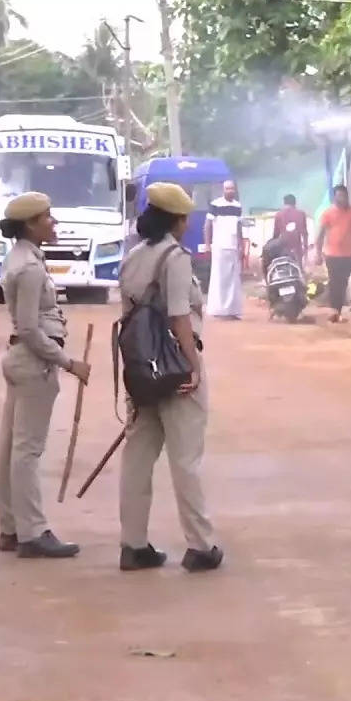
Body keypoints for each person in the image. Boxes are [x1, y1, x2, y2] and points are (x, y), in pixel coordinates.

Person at [117, 182, 223, 573]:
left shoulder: (133, 257)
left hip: (142, 370)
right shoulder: (174, 258)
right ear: (178, 221)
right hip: (176, 369)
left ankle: (133, 544)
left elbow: (128, 315)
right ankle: (200, 544)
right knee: (186, 458)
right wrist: (193, 366)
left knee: (138, 457)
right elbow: (179, 315)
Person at [0, 192, 92, 559]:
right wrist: (69, 363)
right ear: (31, 225)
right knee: (27, 451)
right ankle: (32, 532)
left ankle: (11, 528)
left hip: (21, 358)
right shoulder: (30, 268)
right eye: (47, 218)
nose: (53, 223)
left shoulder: (20, 258)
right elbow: (32, 329)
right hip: (33, 361)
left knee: (11, 450)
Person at [315, 184, 351, 323]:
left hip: (348, 255)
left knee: (342, 283)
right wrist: (317, 252)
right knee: (334, 281)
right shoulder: (328, 213)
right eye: (339, 196)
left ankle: (338, 311)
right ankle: (334, 311)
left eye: (344, 195)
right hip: (331, 254)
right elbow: (320, 234)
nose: (342, 198)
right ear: (334, 198)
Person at [205, 180, 244, 320]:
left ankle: (232, 310)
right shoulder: (215, 205)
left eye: (232, 188)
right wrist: (207, 244)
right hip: (220, 246)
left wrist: (241, 245)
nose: (230, 191)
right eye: (227, 188)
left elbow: (239, 227)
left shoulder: (237, 206)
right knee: (220, 278)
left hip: (233, 247)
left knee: (233, 279)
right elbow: (208, 225)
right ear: (223, 190)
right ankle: (218, 310)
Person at [272, 194, 308, 260]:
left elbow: (276, 234)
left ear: (284, 203)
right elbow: (304, 233)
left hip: (283, 247)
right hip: (297, 248)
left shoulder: (279, 214)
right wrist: (305, 249)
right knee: (298, 268)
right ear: (295, 203)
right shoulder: (301, 214)